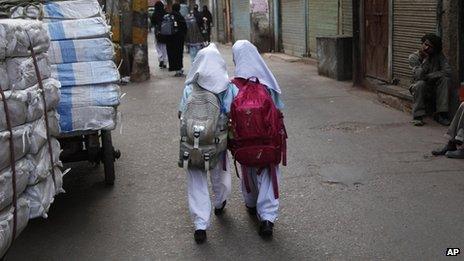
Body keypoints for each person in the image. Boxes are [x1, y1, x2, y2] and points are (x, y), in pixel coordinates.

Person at [178, 43, 238, 244]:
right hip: (217, 144)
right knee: (219, 175)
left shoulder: (189, 88)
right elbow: (233, 113)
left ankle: (200, 224)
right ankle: (220, 203)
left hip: (192, 144)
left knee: (196, 180)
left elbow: (181, 114)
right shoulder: (227, 88)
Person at [231, 40, 285, 238]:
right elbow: (278, 108)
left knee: (249, 170)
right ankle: (268, 218)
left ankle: (251, 204)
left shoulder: (233, 86)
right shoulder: (267, 83)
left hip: (245, 144)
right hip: (268, 142)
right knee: (269, 174)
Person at [409, 33, 452, 126]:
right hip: (418, 87)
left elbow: (447, 72)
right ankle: (418, 116)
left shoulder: (439, 56)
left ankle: (441, 114)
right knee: (420, 84)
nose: (426, 48)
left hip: (434, 87)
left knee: (445, 79)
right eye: (425, 44)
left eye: (430, 46)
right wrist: (425, 60)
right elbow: (419, 76)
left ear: (435, 48)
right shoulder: (414, 57)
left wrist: (430, 76)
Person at [166, 3, 187, 77]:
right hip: (178, 38)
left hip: (169, 38)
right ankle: (179, 69)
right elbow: (184, 27)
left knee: (172, 54)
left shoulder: (169, 16)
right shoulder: (179, 16)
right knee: (178, 54)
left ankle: (174, 68)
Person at [151, 1, 168, 68]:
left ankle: (160, 58)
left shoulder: (154, 13)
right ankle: (165, 62)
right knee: (164, 46)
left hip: (157, 31)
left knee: (157, 45)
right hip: (165, 32)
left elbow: (152, 22)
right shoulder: (165, 13)